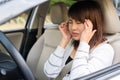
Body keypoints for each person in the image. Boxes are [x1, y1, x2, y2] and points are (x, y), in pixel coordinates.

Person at [44, 0, 114, 80]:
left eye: (79, 22)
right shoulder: (72, 43)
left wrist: (84, 44)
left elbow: (79, 78)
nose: (73, 27)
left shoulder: (104, 50)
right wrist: (65, 40)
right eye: (70, 22)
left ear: (92, 24)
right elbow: (49, 72)